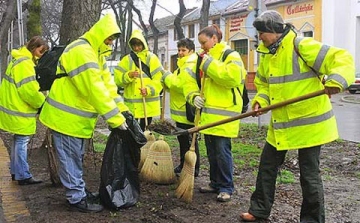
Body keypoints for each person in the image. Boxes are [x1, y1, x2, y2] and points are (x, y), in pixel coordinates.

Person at [239, 10, 355, 222]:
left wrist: (336, 81)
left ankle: (312, 220)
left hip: (310, 125)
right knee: (267, 167)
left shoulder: (301, 46)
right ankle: (259, 210)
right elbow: (264, 85)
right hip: (281, 124)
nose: (260, 38)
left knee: (309, 176)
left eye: (262, 33)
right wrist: (261, 101)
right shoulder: (267, 54)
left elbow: (342, 58)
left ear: (274, 31)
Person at [39, 14, 129, 213]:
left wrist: (123, 110)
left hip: (76, 121)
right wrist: (115, 118)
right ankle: (76, 198)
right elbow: (94, 89)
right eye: (108, 38)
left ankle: (78, 191)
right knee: (70, 159)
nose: (110, 42)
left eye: (113, 40)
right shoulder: (81, 51)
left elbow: (108, 86)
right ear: (100, 33)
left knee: (75, 158)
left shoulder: (96, 54)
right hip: (66, 119)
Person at [183, 24, 247, 202]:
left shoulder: (230, 55)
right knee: (212, 151)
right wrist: (194, 96)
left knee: (222, 151)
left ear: (214, 39)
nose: (201, 46)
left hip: (225, 115)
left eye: (204, 42)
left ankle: (226, 187)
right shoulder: (202, 58)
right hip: (208, 115)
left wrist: (210, 64)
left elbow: (232, 78)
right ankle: (215, 183)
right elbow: (191, 82)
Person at [0, 36, 48, 186]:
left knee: (18, 141)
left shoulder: (17, 59)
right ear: (34, 49)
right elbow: (29, 91)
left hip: (13, 108)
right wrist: (43, 102)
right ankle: (23, 175)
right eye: (40, 51)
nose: (41, 55)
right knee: (21, 142)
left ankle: (16, 172)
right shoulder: (25, 64)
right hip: (20, 110)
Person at [114, 30, 169, 131]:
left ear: (143, 44)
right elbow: (117, 79)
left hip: (147, 104)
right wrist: (128, 76)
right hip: (132, 106)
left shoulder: (152, 58)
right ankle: (135, 147)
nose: (136, 48)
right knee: (132, 131)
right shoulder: (126, 60)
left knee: (145, 130)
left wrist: (148, 90)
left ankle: (145, 146)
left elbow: (159, 80)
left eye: (139, 45)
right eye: (134, 45)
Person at [162, 38, 200, 177]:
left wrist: (167, 77)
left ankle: (192, 168)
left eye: (183, 50)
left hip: (187, 109)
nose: (180, 53)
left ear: (191, 51)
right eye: (179, 50)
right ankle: (184, 164)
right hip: (180, 110)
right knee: (183, 141)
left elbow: (179, 85)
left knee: (190, 142)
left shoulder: (190, 64)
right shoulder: (181, 65)